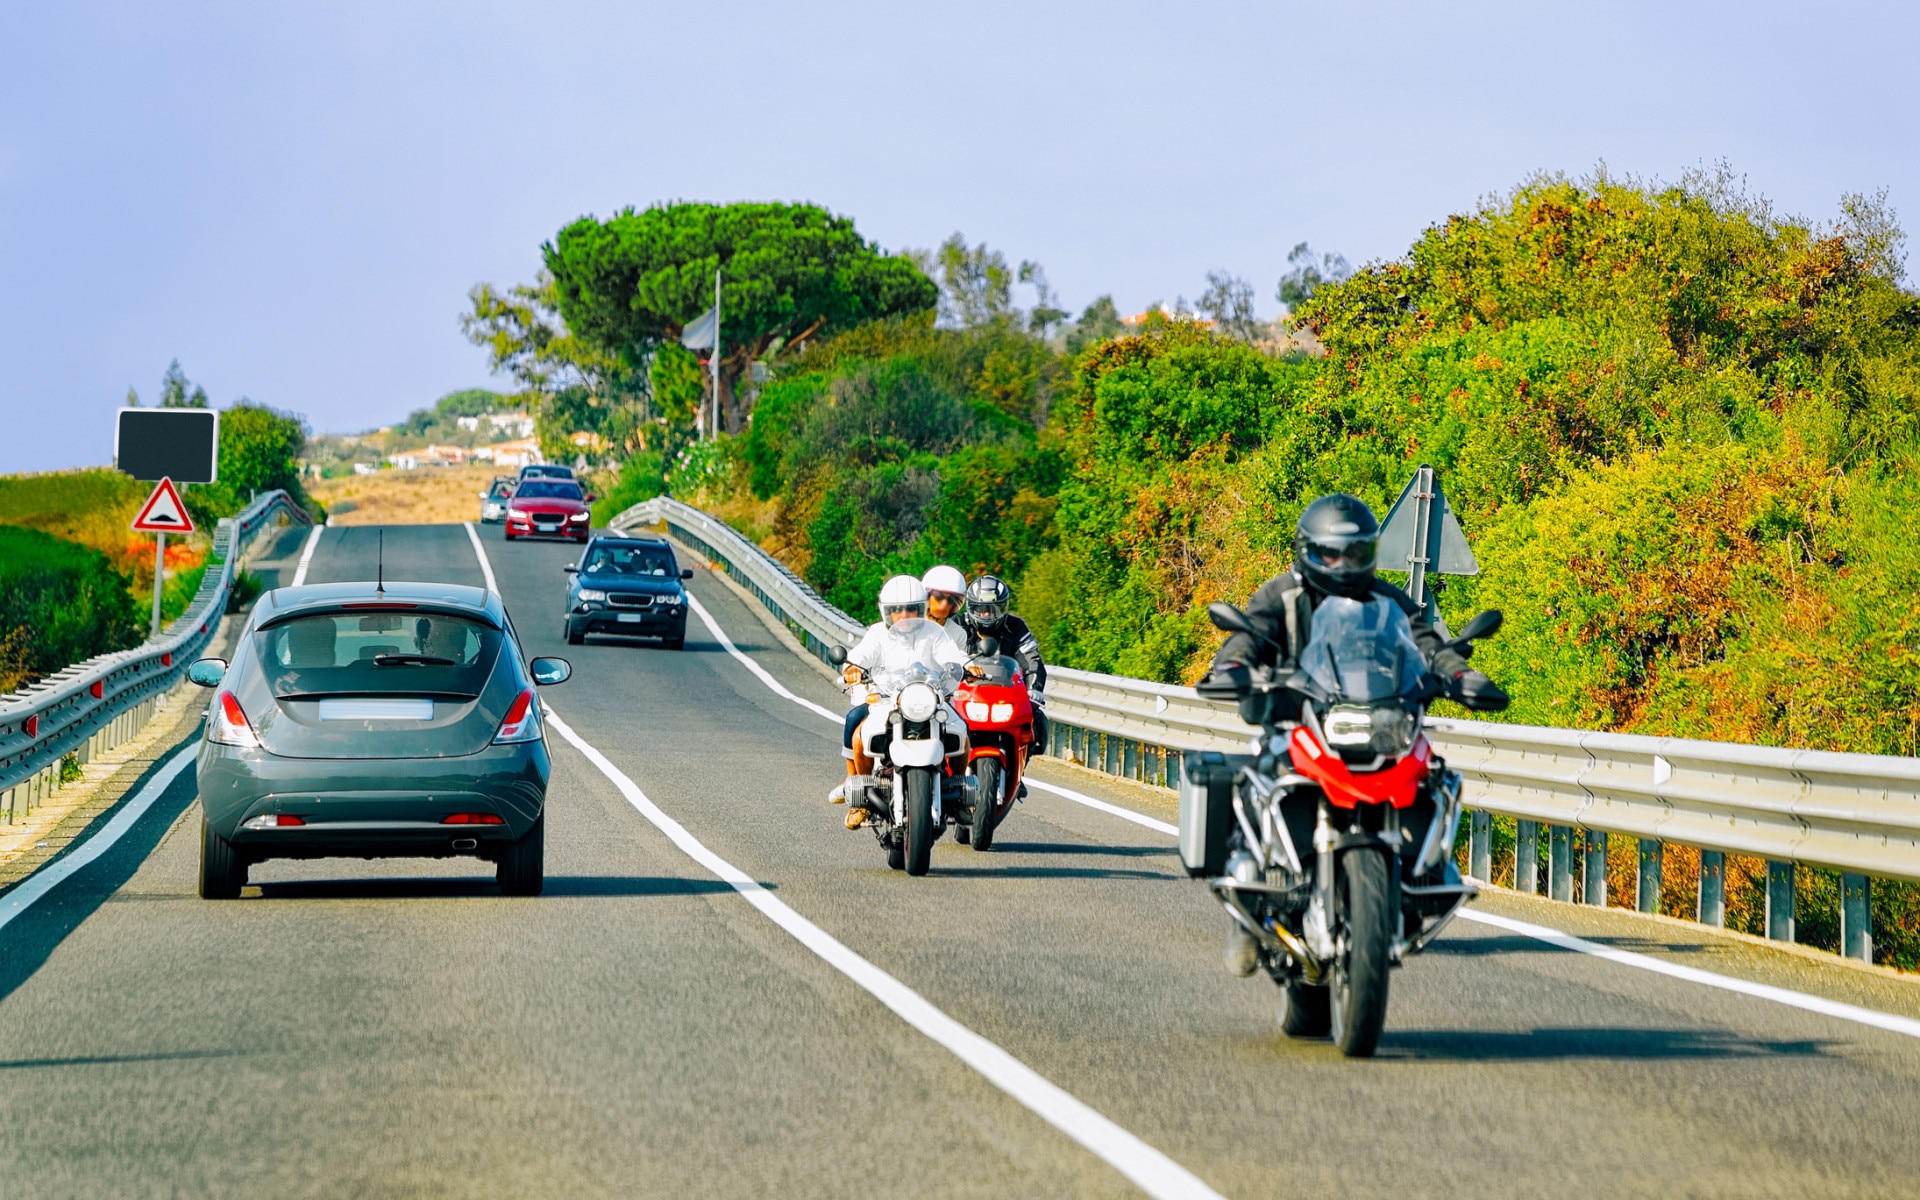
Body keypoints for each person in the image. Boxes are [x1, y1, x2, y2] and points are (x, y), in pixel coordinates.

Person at [1205, 492, 1506, 975]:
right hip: (1297, 721)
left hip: (1377, 720)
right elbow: (1249, 634)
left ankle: (1421, 872)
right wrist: (1235, 665)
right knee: (1254, 781)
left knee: (1433, 777)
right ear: (1307, 550)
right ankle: (1247, 902)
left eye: (1355, 552)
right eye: (1330, 553)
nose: (1343, 563)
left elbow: (1423, 640)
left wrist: (1458, 674)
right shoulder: (1280, 595)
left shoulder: (1385, 600)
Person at [829, 574, 969, 828]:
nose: (905, 615)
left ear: (922, 609)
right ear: (887, 612)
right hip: (887, 700)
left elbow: (951, 653)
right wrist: (852, 666)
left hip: (929, 699)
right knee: (861, 737)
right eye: (897, 610)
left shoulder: (933, 633)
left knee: (962, 733)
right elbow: (862, 653)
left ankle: (959, 794)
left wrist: (967, 665)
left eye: (913, 609)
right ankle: (861, 799)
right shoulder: (877, 633)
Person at [958, 574, 1048, 763]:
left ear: (1003, 607)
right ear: (972, 607)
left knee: (1035, 720)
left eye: (993, 609)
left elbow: (1032, 660)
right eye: (982, 609)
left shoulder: (1016, 627)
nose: (987, 614)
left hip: (1003, 696)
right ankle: (943, 776)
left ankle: (1021, 766)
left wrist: (1035, 689)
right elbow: (941, 656)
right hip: (963, 696)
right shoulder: (958, 626)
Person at [920, 564, 968, 649]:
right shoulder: (910, 625)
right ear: (926, 596)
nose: (944, 604)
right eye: (939, 597)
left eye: (951, 600)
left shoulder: (958, 634)